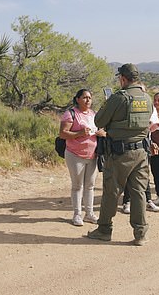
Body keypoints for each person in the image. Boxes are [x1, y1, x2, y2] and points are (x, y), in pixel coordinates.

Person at [87, 64, 155, 246]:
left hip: (120, 153)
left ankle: (104, 230)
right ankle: (140, 233)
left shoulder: (119, 98)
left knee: (111, 191)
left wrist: (107, 103)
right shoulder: (147, 98)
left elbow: (99, 120)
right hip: (141, 152)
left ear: (123, 78)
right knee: (139, 192)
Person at [59, 89, 105, 226]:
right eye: (84, 97)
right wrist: (79, 133)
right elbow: (62, 134)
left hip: (92, 155)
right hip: (75, 154)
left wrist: (100, 133)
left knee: (90, 186)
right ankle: (77, 214)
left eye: (90, 97)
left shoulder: (93, 114)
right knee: (77, 185)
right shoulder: (71, 114)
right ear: (77, 99)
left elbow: (98, 130)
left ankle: (89, 214)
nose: (88, 100)